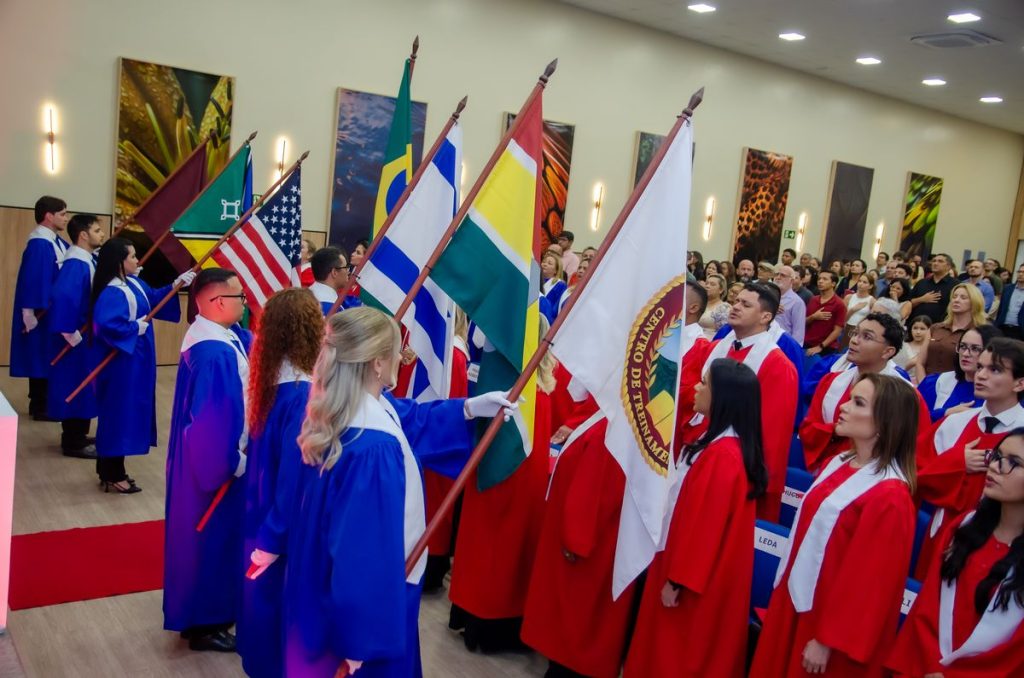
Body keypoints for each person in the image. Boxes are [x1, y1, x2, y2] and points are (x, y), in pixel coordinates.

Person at [281, 306, 514, 677]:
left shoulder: (350, 407)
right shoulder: (374, 448)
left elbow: (411, 418)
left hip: (328, 585)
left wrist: (468, 408)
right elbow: (363, 555)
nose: (402, 357)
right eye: (396, 349)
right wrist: (359, 642)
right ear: (377, 363)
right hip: (370, 606)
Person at [750, 373, 919, 677]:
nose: (843, 406)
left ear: (884, 422)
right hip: (796, 603)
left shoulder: (890, 497)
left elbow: (871, 582)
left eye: (858, 402)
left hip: (827, 628)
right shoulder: (840, 463)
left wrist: (829, 639)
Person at [623, 358, 767, 677]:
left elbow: (706, 527)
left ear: (723, 397)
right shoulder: (722, 446)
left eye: (706, 384)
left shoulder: (724, 457)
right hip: (689, 566)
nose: (698, 389)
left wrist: (678, 581)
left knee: (672, 653)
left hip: (690, 578)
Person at [448, 317, 556, 652]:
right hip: (521, 479)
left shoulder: (509, 384)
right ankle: (491, 621)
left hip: (504, 473)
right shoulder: (542, 382)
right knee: (503, 552)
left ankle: (480, 619)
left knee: (491, 550)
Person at [887, 429, 1024, 676]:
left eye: (1014, 463)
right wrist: (931, 666)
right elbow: (928, 606)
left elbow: (1016, 654)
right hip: (925, 667)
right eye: (997, 456)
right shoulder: (964, 527)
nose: (995, 466)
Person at [237, 288, 324, 678]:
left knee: (260, 607)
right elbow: (293, 480)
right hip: (280, 524)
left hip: (259, 508)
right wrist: (273, 539)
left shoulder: (271, 383)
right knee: (277, 612)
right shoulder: (301, 394)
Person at [164, 268, 251, 651]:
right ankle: (206, 622)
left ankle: (203, 616)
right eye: (240, 298)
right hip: (210, 464)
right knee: (211, 539)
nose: (245, 304)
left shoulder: (215, 334)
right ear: (218, 303)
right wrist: (230, 461)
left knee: (207, 539)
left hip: (200, 458)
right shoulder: (214, 353)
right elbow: (211, 421)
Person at [521, 413, 636, 678]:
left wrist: (575, 539)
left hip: (584, 544)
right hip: (589, 538)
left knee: (575, 618)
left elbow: (592, 487)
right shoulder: (607, 419)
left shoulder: (610, 429)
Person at [685, 283, 798, 520]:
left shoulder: (777, 365)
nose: (735, 307)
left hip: (733, 469)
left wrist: (753, 482)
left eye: (745, 304)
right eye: (736, 301)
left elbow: (772, 434)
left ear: (766, 316)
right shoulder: (717, 347)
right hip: (698, 450)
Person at [915, 337, 1024, 579]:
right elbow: (915, 473)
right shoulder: (955, 422)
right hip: (942, 532)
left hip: (996, 545)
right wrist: (956, 462)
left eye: (994, 369)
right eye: (981, 367)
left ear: (1019, 383)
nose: (981, 375)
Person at [91, 238, 191, 493]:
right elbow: (105, 325)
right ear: (119, 263)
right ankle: (111, 472)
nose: (138, 261)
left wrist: (176, 283)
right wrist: (135, 326)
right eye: (133, 257)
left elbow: (154, 299)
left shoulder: (133, 282)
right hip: (121, 364)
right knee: (117, 414)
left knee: (128, 412)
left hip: (136, 360)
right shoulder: (113, 290)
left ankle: (114, 468)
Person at [800, 313, 930, 473]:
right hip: (827, 472)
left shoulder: (907, 397)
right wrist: (834, 430)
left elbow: (915, 454)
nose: (854, 340)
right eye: (856, 333)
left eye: (867, 337)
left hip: (875, 481)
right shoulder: (831, 381)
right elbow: (809, 429)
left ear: (887, 352)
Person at [47, 213, 104, 458]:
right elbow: (63, 297)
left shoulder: (87, 260)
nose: (102, 234)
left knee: (84, 387)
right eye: (97, 230)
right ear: (83, 235)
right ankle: (72, 440)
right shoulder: (76, 263)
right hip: (75, 338)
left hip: (85, 337)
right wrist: (69, 331)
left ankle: (79, 434)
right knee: (75, 386)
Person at [10, 196, 70, 420]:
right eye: (63, 214)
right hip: (41, 313)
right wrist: (30, 312)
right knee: (40, 355)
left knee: (46, 355)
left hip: (52, 310)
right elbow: (34, 280)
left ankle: (44, 401)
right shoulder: (39, 243)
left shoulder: (54, 241)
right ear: (49, 216)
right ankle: (40, 404)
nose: (66, 218)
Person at [917, 325, 1001, 421]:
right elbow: (911, 418)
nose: (965, 354)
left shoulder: (1003, 392)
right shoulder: (935, 382)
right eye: (962, 346)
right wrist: (945, 413)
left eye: (975, 349)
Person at [921, 283, 986, 376]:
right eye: (954, 297)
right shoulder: (935, 328)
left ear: (974, 303)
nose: (956, 300)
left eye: (963, 298)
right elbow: (920, 363)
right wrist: (924, 385)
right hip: (927, 384)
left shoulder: (978, 332)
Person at [805, 270, 847, 357]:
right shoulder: (813, 299)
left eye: (825, 279)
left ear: (833, 284)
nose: (820, 281)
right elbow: (804, 322)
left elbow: (837, 331)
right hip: (807, 343)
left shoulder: (839, 304)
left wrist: (821, 346)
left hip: (825, 348)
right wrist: (814, 317)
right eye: (819, 279)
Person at [912, 253, 958, 324]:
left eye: (940, 261)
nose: (935, 263)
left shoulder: (956, 285)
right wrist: (921, 299)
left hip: (942, 327)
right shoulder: (922, 282)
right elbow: (908, 303)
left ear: (948, 266)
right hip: (917, 325)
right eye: (934, 261)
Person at [309, 246, 354, 315]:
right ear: (334, 272)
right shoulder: (333, 309)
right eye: (346, 267)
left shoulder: (305, 296)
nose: (348, 271)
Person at [773, 265, 806, 346]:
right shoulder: (768, 297)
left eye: (783, 275)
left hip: (782, 345)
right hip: (764, 342)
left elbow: (798, 334)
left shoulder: (797, 302)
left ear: (791, 281)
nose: (778, 277)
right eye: (777, 274)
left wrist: (793, 351)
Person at [842, 274, 875, 346]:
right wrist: (853, 310)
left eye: (864, 282)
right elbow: (842, 318)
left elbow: (871, 320)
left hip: (860, 331)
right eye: (859, 281)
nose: (861, 284)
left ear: (871, 286)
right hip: (846, 328)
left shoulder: (872, 301)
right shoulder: (848, 297)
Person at [995, 264, 1024, 340]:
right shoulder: (1007, 288)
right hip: (1003, 327)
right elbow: (1000, 309)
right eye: (1019, 272)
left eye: (1023, 272)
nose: (1020, 274)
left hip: (1020, 330)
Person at [698, 273, 730, 339]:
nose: (707, 286)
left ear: (721, 290)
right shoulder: (698, 303)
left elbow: (723, 332)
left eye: (712, 284)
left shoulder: (724, 307)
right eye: (706, 283)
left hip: (709, 343)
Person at [541, 249, 567, 322]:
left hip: (548, 320)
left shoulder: (560, 285)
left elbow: (558, 307)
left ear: (556, 270)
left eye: (549, 263)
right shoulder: (535, 280)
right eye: (543, 262)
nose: (544, 264)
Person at [903, 315, 931, 381]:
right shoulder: (903, 347)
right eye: (915, 328)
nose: (918, 332)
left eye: (922, 329)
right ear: (910, 329)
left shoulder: (931, 348)